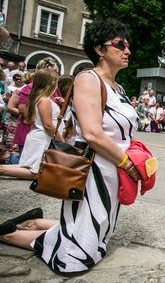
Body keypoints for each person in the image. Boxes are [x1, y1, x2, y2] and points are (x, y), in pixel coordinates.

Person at [0, 19, 142, 275]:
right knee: (75, 258)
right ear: (99, 49)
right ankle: (8, 234)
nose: (127, 50)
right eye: (120, 45)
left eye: (128, 45)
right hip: (93, 169)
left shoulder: (118, 88)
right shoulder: (88, 79)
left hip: (111, 170)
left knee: (95, 227)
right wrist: (127, 162)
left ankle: (33, 222)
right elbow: (92, 133)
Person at [0, 69, 63, 179]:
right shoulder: (45, 100)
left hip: (39, 137)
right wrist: (60, 140)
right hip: (42, 138)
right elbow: (47, 125)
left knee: (29, 168)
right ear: (51, 83)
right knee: (35, 173)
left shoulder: (41, 98)